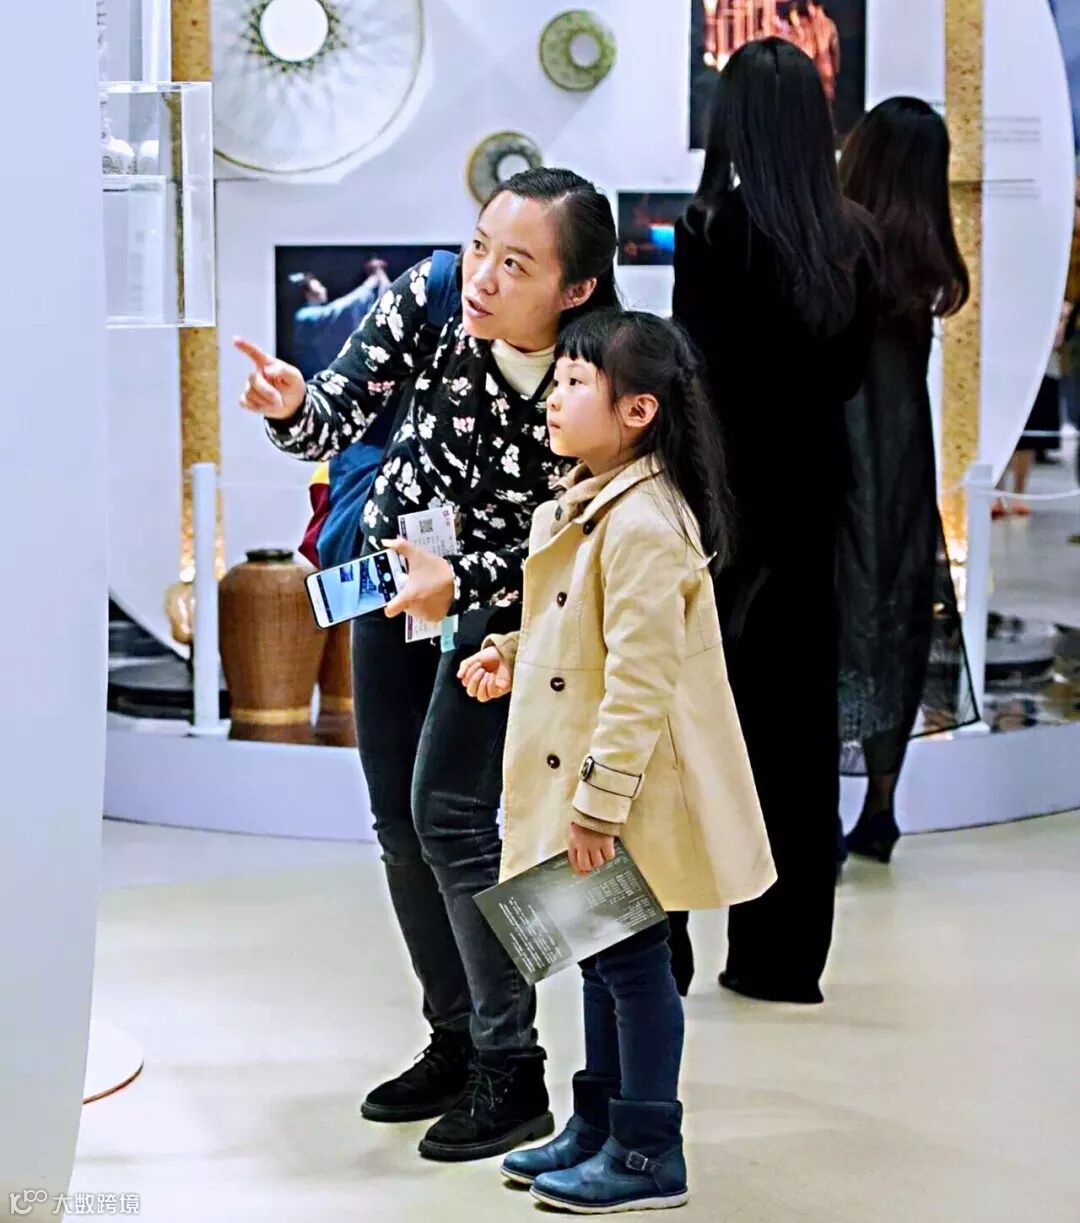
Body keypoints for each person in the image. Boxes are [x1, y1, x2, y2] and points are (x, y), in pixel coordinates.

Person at [234, 168, 619, 1163]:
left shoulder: (600, 371)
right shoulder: (436, 292)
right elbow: (333, 413)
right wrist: (291, 405)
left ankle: (511, 1065)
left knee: (453, 814)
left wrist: (470, 583)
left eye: (517, 264)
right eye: (480, 245)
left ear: (575, 287)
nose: (483, 276)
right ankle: (455, 1040)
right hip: (392, 584)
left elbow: (584, 535)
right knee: (400, 822)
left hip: (509, 613)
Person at [457, 310, 775, 1214]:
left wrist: (598, 805)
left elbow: (640, 680)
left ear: (638, 410)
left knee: (633, 965)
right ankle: (597, 1123)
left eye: (574, 384)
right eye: (555, 381)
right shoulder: (590, 502)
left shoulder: (645, 525)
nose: (554, 399)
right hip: (591, 782)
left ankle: (647, 1149)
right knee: (598, 957)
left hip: (624, 792)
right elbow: (576, 630)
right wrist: (509, 651)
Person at [671, 37, 879, 1004]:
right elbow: (849, 379)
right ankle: (784, 956)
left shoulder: (711, 230)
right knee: (798, 741)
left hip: (725, 511)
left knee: (691, 731)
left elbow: (694, 379)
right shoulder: (854, 240)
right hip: (813, 510)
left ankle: (665, 949)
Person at [837, 96, 972, 863]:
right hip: (905, 464)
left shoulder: (845, 252)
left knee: (837, 616)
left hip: (848, 456)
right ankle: (880, 807)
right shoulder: (926, 261)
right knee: (896, 617)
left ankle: (819, 813)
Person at [289, 260, 391, 380]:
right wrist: (371, 283)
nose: (323, 289)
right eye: (319, 286)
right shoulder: (304, 316)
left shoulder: (311, 314)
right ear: (308, 293)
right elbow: (340, 309)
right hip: (314, 378)